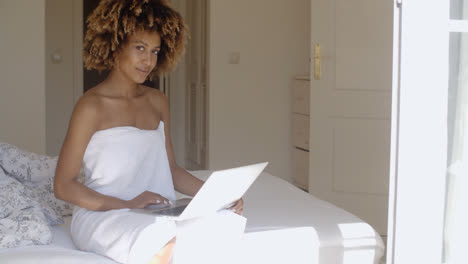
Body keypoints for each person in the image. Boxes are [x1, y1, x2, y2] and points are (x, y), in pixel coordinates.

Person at [53, 1, 244, 263]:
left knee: (228, 222)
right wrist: (128, 204)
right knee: (163, 241)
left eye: (155, 51)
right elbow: (63, 186)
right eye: (139, 48)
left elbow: (171, 169)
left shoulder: (157, 100)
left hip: (157, 211)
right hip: (105, 214)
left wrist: (218, 197)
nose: (148, 61)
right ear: (115, 44)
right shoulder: (91, 106)